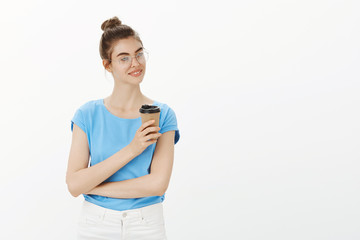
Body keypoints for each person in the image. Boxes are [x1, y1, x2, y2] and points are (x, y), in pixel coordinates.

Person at [65, 16, 180, 240]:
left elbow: (157, 184)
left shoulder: (163, 114)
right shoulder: (87, 115)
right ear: (108, 65)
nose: (135, 63)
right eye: (123, 58)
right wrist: (133, 148)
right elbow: (74, 183)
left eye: (139, 53)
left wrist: (93, 187)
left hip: (146, 223)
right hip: (96, 224)